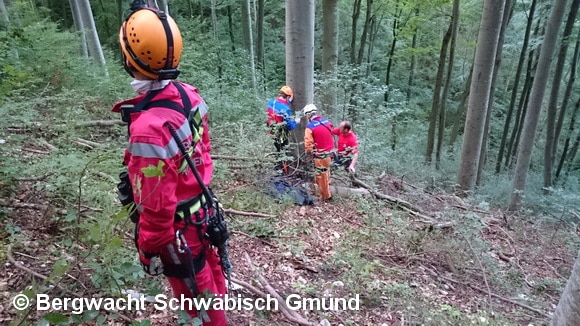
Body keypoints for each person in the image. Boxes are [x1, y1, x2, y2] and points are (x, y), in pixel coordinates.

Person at [113, 5, 228, 325]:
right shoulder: (187, 95)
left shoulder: (149, 127)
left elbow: (156, 206)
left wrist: (147, 248)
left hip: (178, 230)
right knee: (212, 280)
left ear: (129, 58)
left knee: (199, 302)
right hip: (202, 211)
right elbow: (203, 152)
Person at [303, 104, 334, 201]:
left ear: (308, 115)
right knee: (326, 173)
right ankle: (325, 190)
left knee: (321, 176)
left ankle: (326, 197)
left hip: (320, 156)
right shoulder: (327, 122)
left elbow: (308, 145)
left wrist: (309, 151)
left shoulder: (310, 127)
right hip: (331, 153)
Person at [266, 86, 300, 152]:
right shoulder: (286, 110)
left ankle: (279, 160)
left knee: (277, 148)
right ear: (288, 97)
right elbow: (289, 126)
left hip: (271, 130)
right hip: (280, 134)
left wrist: (288, 102)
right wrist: (296, 122)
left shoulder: (271, 102)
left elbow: (279, 106)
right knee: (283, 150)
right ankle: (281, 162)